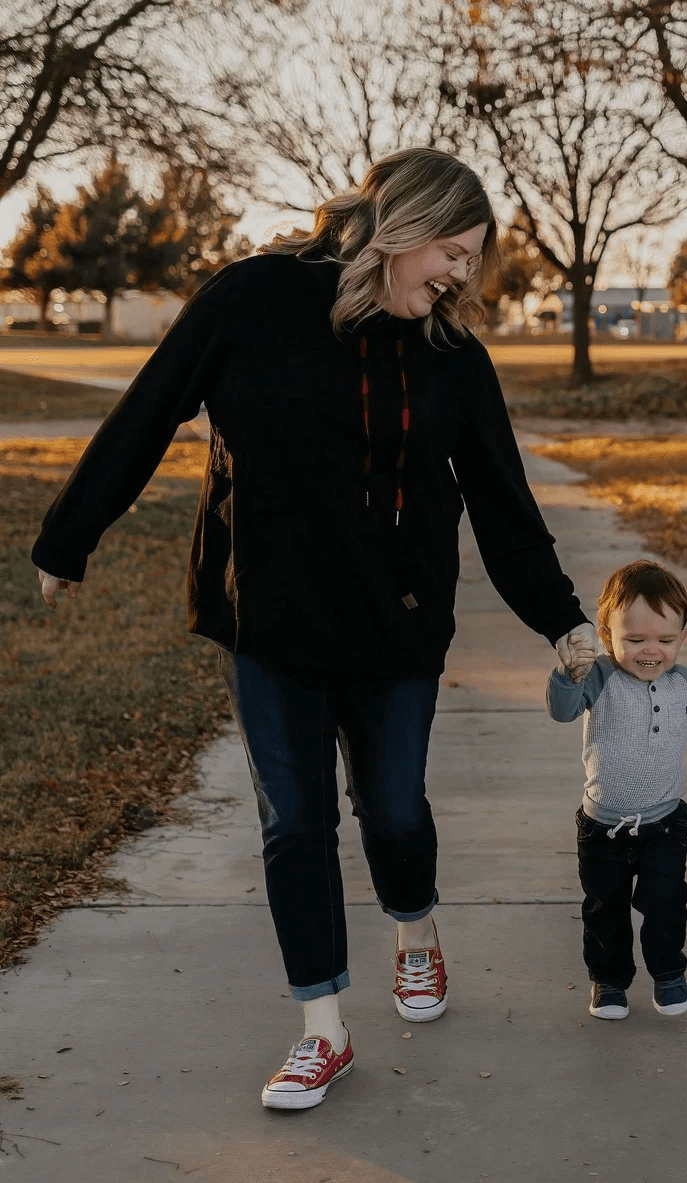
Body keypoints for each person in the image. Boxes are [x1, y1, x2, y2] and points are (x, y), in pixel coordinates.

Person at [31, 148, 597, 1108]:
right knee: (296, 821)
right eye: (453, 253)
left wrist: (562, 619)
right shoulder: (250, 299)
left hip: (397, 626)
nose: (461, 276)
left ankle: (415, 931)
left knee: (395, 811)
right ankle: (322, 1028)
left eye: (471, 260)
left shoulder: (452, 357)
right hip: (275, 620)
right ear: (402, 227)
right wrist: (68, 534)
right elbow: (152, 403)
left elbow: (502, 501)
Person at [546, 560, 687, 1020]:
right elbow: (562, 711)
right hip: (603, 828)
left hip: (665, 824)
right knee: (605, 910)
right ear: (607, 636)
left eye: (665, 641)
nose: (651, 651)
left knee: (666, 904)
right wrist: (568, 676)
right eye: (635, 640)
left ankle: (668, 974)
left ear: (682, 638)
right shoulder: (599, 678)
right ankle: (608, 983)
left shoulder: (682, 683)